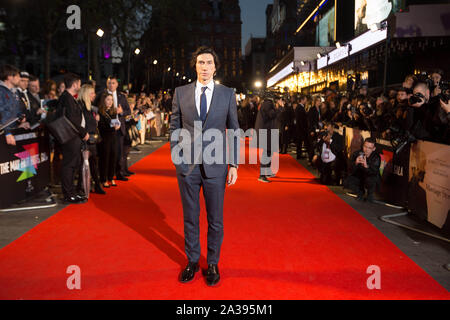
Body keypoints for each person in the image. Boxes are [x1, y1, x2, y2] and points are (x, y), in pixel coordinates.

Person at [169, 46, 239, 286]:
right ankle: (191, 261)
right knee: (190, 217)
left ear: (215, 67)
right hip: (187, 167)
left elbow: (234, 131)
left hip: (216, 167)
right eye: (200, 62)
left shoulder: (228, 94)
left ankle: (212, 263)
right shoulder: (180, 92)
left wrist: (234, 164)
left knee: (215, 219)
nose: (205, 67)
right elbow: (174, 127)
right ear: (195, 65)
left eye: (209, 62)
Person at [57, 73, 89, 204]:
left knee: (72, 165)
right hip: (70, 137)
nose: (80, 86)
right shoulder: (67, 98)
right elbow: (72, 120)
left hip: (72, 137)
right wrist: (83, 133)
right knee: (69, 166)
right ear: (75, 84)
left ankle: (71, 192)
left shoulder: (68, 97)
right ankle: (68, 194)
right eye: (79, 83)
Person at [95, 76, 132, 179]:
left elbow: (128, 111)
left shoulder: (121, 96)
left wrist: (121, 112)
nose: (111, 85)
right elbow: (94, 106)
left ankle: (118, 173)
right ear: (107, 84)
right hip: (105, 128)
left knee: (118, 152)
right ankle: (105, 175)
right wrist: (97, 115)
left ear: (117, 84)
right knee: (106, 153)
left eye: (113, 83)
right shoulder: (101, 95)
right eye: (109, 83)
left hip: (118, 128)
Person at [77, 84, 105, 195]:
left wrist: (96, 119)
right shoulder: (81, 107)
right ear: (86, 94)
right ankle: (81, 187)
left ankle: (96, 185)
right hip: (84, 139)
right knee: (83, 164)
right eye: (92, 93)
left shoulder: (90, 107)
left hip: (92, 139)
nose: (94, 95)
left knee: (93, 163)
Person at [0, 64, 30, 146]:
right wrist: (7, 133)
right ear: (9, 77)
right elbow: (1, 114)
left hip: (13, 133)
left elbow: (16, 111)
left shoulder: (15, 92)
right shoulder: (1, 91)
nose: (20, 79)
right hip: (4, 135)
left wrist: (20, 117)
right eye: (17, 76)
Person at [345, 137, 381, 203]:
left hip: (370, 178)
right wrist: (355, 163)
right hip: (360, 177)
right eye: (365, 147)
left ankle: (370, 194)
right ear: (363, 146)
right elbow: (350, 169)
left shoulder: (376, 157)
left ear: (374, 149)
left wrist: (366, 166)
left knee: (372, 179)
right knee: (349, 180)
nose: (366, 150)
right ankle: (360, 192)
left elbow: (374, 172)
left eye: (369, 148)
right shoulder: (356, 154)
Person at [255, 95, 281, 182]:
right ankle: (262, 175)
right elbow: (272, 115)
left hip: (267, 131)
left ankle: (267, 172)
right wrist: (279, 108)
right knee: (266, 153)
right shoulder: (267, 104)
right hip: (266, 132)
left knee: (268, 151)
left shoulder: (266, 103)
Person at [98, 93, 120, 188]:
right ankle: (104, 179)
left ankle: (111, 177)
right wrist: (113, 128)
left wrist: (117, 126)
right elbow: (101, 127)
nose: (110, 102)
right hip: (104, 139)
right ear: (103, 100)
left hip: (113, 138)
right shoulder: (100, 112)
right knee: (105, 159)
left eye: (111, 100)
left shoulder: (113, 112)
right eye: (108, 99)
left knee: (113, 157)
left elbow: (115, 123)